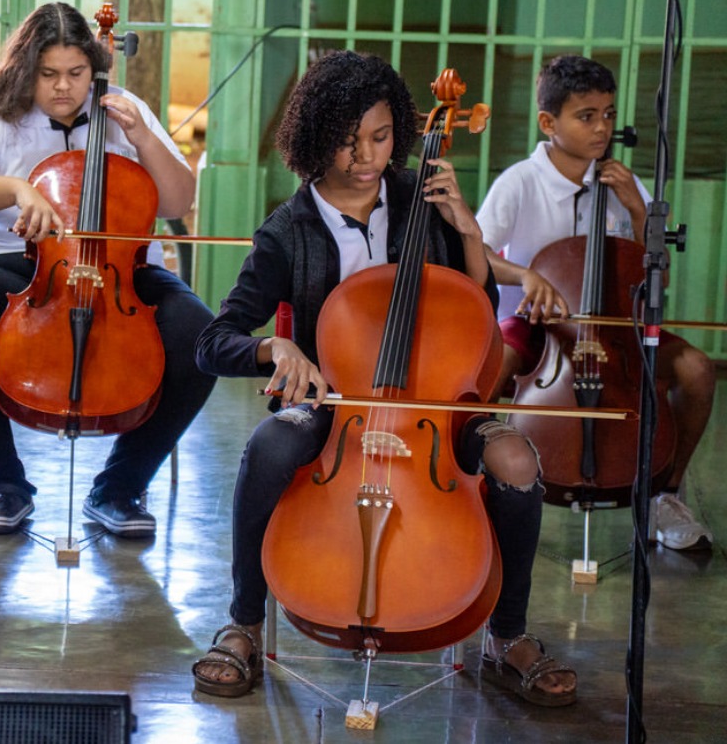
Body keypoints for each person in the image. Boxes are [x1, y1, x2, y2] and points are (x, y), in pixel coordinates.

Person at [189, 51, 577, 707]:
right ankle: (244, 624)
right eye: (346, 142)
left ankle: (507, 635)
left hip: (436, 403)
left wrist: (468, 233)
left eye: (379, 136)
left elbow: (473, 315)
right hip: (335, 406)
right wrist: (275, 349)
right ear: (315, 139)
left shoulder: (421, 202)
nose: (366, 157)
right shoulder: (288, 232)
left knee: (515, 458)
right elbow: (212, 341)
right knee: (269, 447)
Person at [0, 1, 215, 538]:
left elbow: (176, 201)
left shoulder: (125, 109)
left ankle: (120, 488)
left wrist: (144, 138)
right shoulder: (1, 117)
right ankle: (4, 484)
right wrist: (16, 187)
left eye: (76, 74)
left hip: (122, 269)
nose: (62, 88)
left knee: (199, 338)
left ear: (95, 67)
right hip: (15, 267)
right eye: (47, 74)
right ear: (25, 69)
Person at [476, 54, 715, 551]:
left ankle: (663, 495)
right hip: (536, 326)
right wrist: (525, 275)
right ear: (549, 122)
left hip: (613, 327)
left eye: (608, 114)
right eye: (586, 116)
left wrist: (635, 208)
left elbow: (660, 276)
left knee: (696, 369)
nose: (602, 128)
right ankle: (474, 487)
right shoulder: (520, 182)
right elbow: (473, 253)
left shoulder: (622, 182)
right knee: (487, 369)